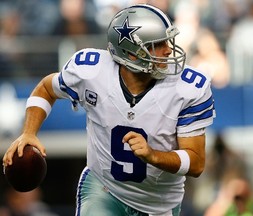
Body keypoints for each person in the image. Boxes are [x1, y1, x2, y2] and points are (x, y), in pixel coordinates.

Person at [2, 4, 215, 216]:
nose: (168, 50)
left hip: (159, 202)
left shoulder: (188, 88)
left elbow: (196, 162)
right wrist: (28, 133)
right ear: (132, 53)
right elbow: (46, 88)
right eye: (157, 44)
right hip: (104, 190)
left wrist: (154, 156)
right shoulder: (91, 71)